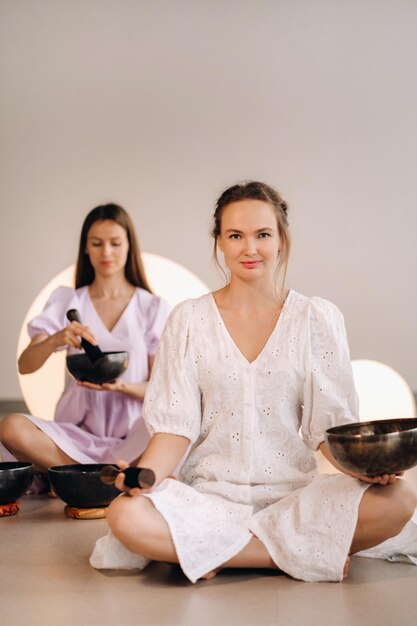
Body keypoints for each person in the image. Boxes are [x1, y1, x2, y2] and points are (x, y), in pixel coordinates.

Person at [90, 183, 417, 582]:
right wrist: (145, 478)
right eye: (235, 236)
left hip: (294, 500)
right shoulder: (188, 320)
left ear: (281, 239)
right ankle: (287, 556)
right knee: (125, 513)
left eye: (262, 234)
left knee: (399, 499)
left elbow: (326, 432)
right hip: (207, 500)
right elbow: (175, 428)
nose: (250, 248)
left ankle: (212, 554)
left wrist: (364, 473)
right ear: (219, 242)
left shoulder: (316, 318)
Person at [0, 204, 169, 491]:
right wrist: (56, 339)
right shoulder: (68, 301)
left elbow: (164, 388)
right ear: (85, 249)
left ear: (129, 247)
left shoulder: (151, 307)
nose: (106, 253)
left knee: (171, 435)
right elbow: (25, 365)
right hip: (76, 435)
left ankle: (76, 477)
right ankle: (105, 478)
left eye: (115, 243)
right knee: (10, 427)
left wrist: (122, 387)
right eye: (97, 243)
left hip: (134, 435)